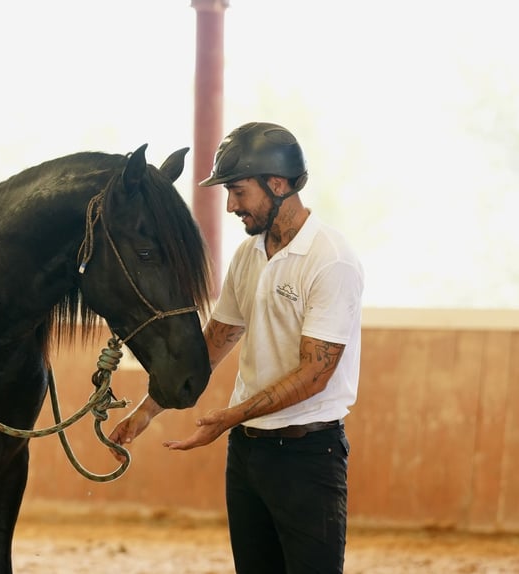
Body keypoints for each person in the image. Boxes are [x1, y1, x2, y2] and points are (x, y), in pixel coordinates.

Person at [109, 121, 364, 573]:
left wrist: (230, 417)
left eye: (239, 192)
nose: (230, 206)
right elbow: (215, 342)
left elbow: (315, 372)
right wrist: (148, 410)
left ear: (278, 185)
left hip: (308, 457)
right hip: (247, 456)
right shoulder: (249, 255)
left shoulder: (330, 260)